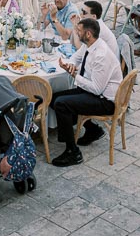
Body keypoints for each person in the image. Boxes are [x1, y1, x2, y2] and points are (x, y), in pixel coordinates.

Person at [50, 18, 123, 167]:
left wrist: (75, 76)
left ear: (88, 34)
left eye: (79, 31)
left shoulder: (101, 55)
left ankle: (73, 152)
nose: (76, 33)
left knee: (61, 104)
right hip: (94, 92)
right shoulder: (89, 45)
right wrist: (69, 65)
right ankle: (92, 129)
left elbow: (96, 89)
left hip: (106, 101)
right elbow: (75, 57)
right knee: (53, 98)